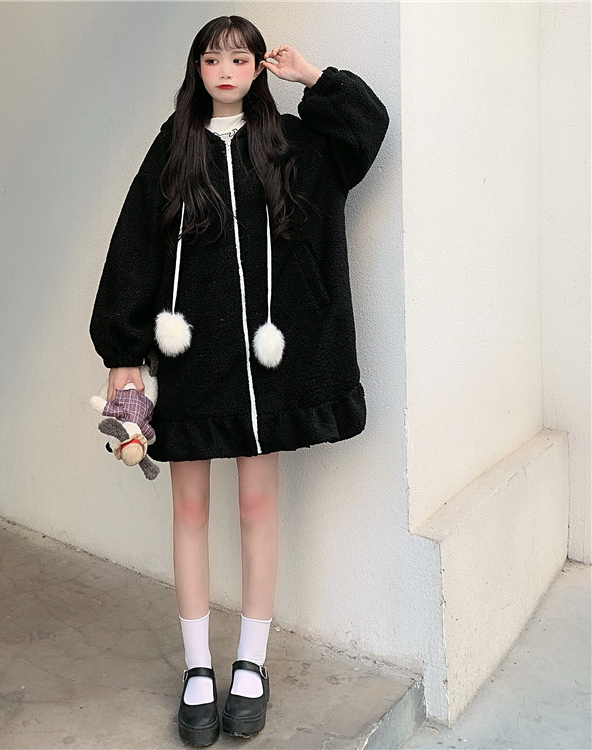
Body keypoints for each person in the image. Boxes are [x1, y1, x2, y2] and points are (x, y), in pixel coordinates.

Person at [90, 15, 388, 747]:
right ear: (196, 69)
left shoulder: (288, 145)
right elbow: (134, 245)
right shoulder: (173, 148)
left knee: (258, 505)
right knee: (189, 510)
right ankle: (198, 667)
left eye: (239, 59)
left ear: (257, 68)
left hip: (266, 370)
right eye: (211, 59)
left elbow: (365, 129)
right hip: (194, 364)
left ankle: (250, 662)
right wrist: (123, 354)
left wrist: (311, 77)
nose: (225, 71)